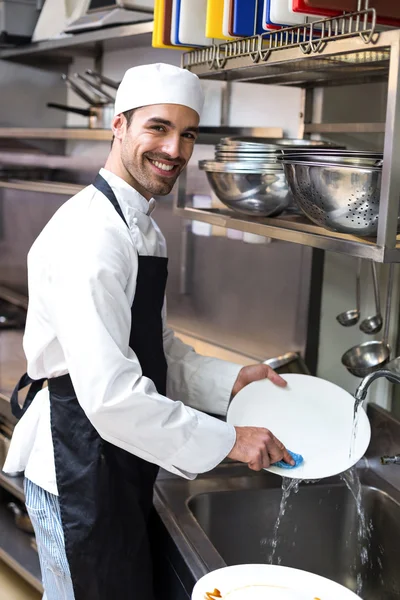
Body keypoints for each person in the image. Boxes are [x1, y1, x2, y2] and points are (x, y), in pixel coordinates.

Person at [4, 63, 293, 600]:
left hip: (115, 455)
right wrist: (230, 440)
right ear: (119, 126)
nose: (174, 149)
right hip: (79, 462)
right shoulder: (92, 237)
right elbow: (112, 396)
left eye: (188, 134)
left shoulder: (142, 229)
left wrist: (232, 379)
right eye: (157, 128)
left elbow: (153, 349)